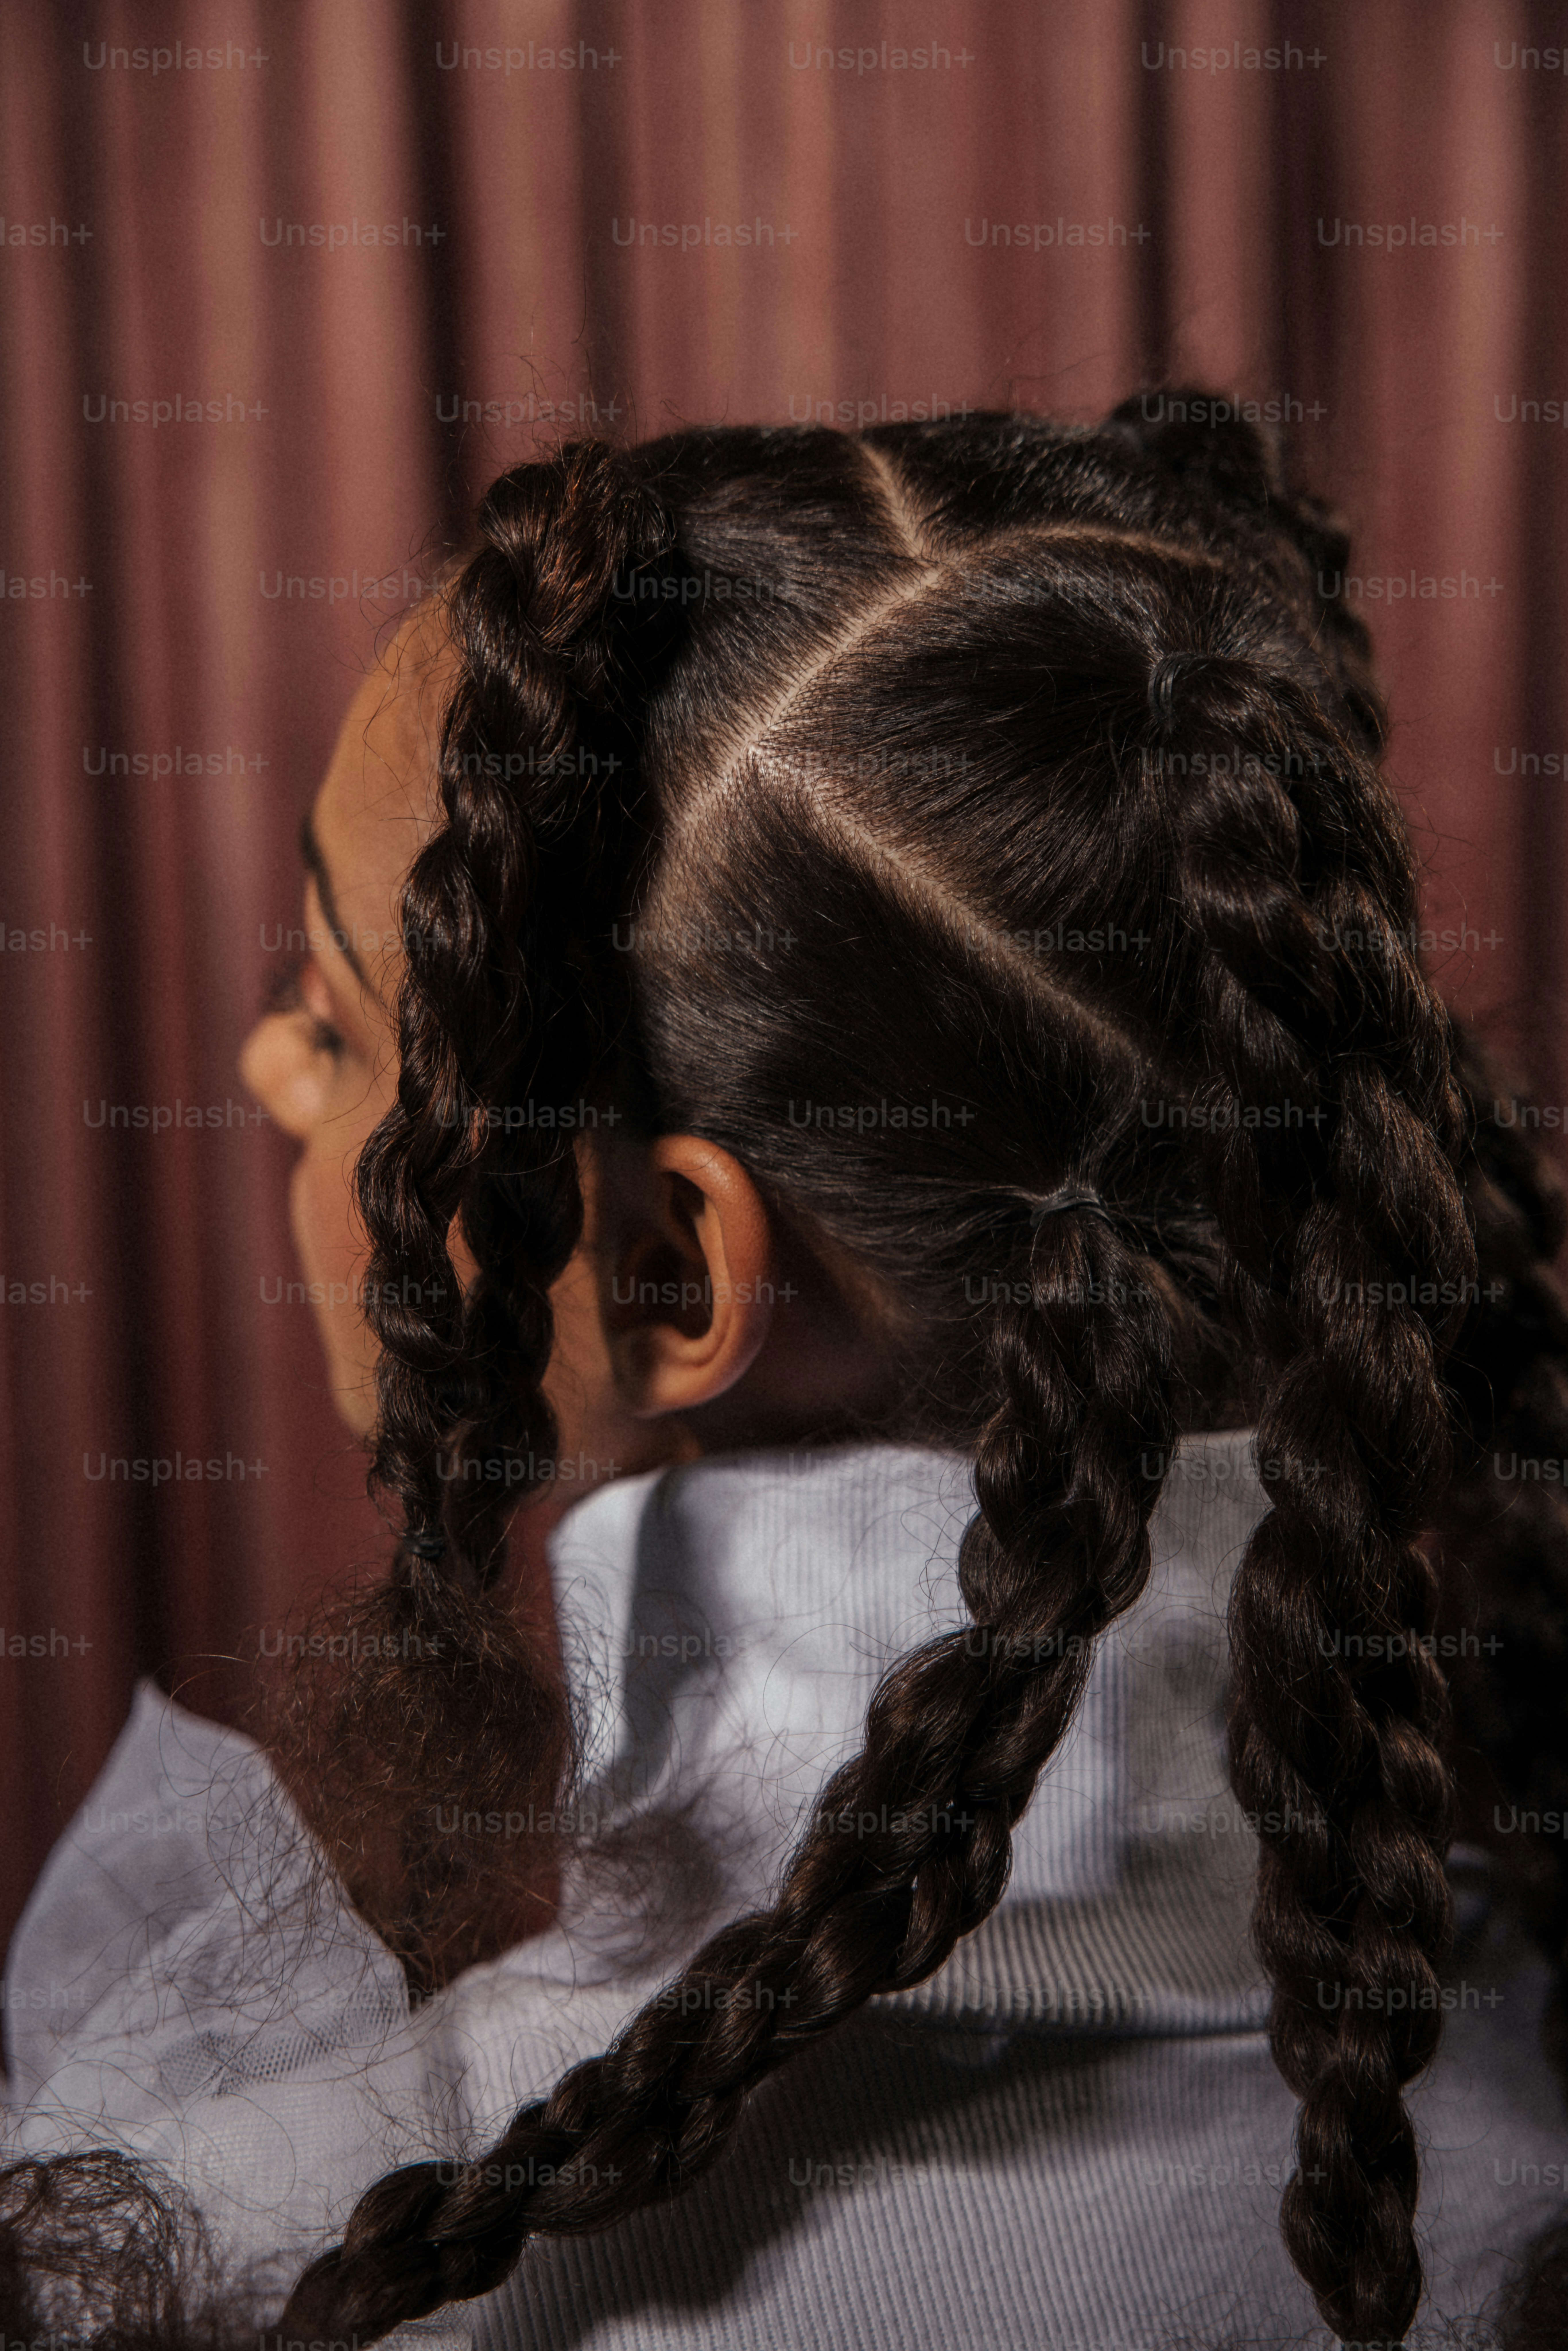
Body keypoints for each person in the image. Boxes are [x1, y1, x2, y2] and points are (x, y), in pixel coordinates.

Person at [4, 398, 1568, 2351]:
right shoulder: (1511, 2107)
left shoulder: (265, 2244)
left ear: (668, 1273)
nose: (260, 1076)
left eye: (335, 1030)